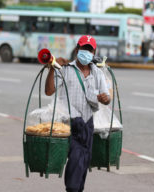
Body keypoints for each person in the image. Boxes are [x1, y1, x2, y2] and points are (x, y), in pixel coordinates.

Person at [45, 35, 110, 192]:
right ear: (77, 49)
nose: (86, 52)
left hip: (87, 124)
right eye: (83, 48)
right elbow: (49, 91)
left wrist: (104, 98)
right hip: (69, 124)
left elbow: (107, 98)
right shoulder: (66, 70)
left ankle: (76, 188)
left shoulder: (98, 73)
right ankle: (72, 189)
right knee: (75, 160)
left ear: (94, 52)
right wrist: (53, 69)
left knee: (83, 162)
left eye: (89, 49)